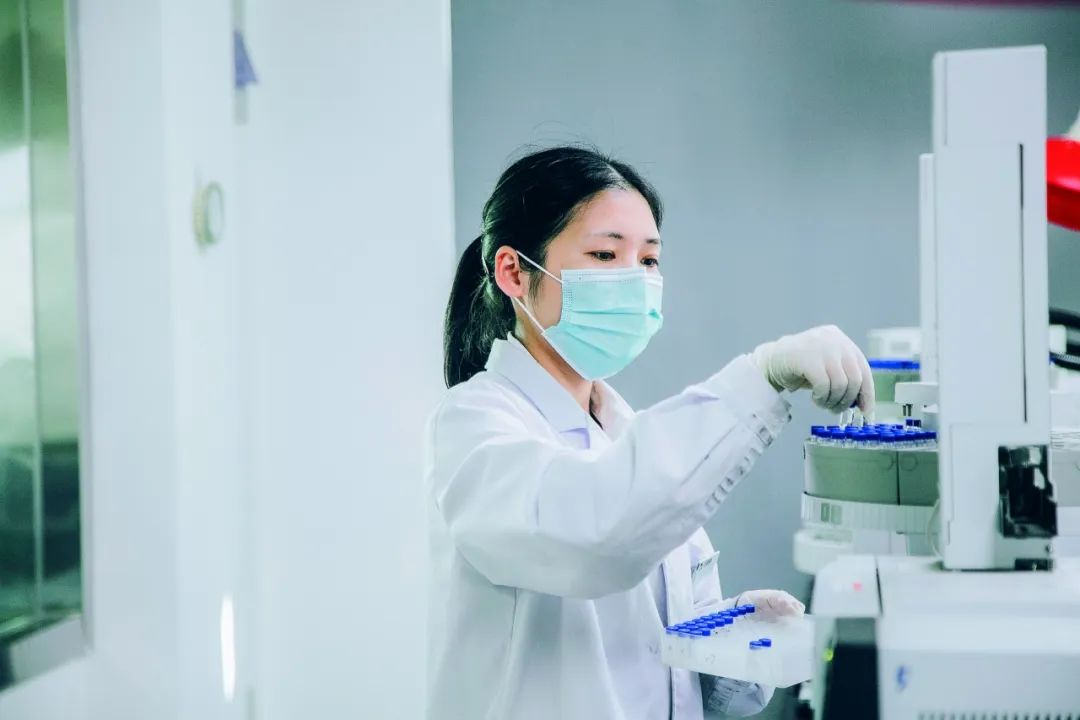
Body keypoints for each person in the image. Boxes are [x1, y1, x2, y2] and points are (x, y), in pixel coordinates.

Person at [426, 146, 874, 720]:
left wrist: (732, 633)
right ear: (514, 272)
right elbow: (593, 534)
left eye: (648, 260)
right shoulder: (473, 425)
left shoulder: (626, 437)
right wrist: (759, 378)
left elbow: (668, 667)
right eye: (605, 254)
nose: (635, 281)